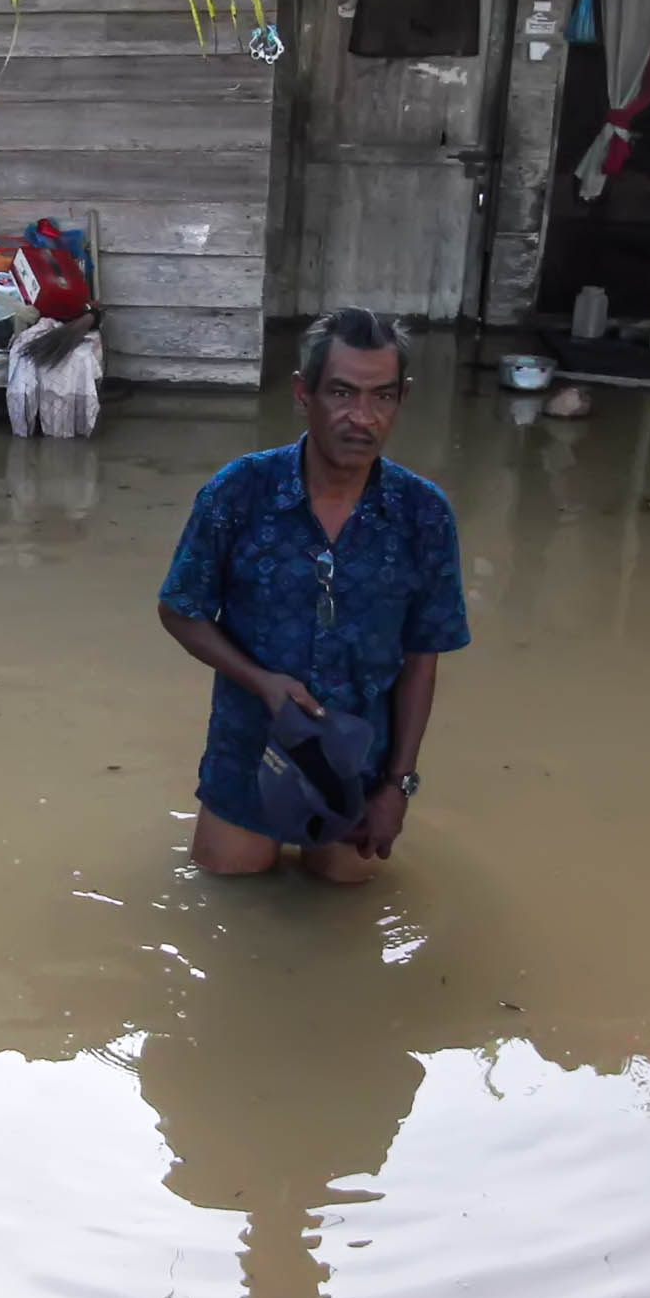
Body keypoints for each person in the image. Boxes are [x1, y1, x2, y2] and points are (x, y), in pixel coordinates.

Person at [154, 308, 469, 883]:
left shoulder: (423, 514)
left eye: (383, 397)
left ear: (403, 399)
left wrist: (397, 786)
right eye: (342, 393)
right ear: (305, 394)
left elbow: (423, 657)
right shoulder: (240, 491)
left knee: (344, 891)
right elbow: (180, 609)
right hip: (251, 752)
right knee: (229, 884)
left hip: (360, 769)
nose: (362, 418)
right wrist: (262, 683)